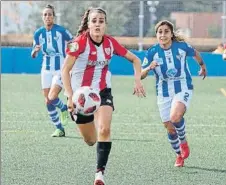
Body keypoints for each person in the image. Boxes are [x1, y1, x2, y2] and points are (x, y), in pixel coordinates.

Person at [61, 7, 145, 185]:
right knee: (91, 141)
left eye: (101, 21)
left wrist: (137, 80)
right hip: (80, 97)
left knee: (104, 130)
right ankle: (78, 117)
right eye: (94, 21)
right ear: (89, 24)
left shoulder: (110, 43)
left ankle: (99, 174)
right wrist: (69, 96)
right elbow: (65, 70)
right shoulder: (77, 43)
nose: (97, 24)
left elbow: (135, 59)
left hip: (102, 91)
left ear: (105, 24)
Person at [141, 20, 207, 167]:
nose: (163, 34)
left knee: (175, 117)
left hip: (183, 86)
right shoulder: (152, 52)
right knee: (169, 127)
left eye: (166, 31)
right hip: (163, 91)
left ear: (171, 34)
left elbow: (195, 53)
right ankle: (179, 155)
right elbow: (140, 75)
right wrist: (148, 68)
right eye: (160, 32)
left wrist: (202, 66)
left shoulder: (181, 47)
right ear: (156, 35)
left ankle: (183, 142)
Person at [31, 4, 74, 137]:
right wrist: (35, 51)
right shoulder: (38, 33)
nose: (47, 17)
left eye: (50, 14)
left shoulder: (62, 31)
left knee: (52, 96)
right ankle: (59, 129)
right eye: (45, 14)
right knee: (48, 101)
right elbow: (33, 53)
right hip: (46, 69)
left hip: (60, 68)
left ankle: (63, 108)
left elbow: (74, 43)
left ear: (53, 17)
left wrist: (71, 58)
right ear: (42, 17)